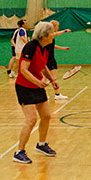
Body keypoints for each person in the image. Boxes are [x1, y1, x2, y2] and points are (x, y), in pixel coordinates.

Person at [13, 21, 59, 164]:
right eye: (51, 32)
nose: (53, 35)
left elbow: (43, 66)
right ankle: (19, 152)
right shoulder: (31, 47)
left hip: (37, 86)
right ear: (44, 35)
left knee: (46, 116)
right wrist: (38, 82)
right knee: (31, 120)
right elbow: (23, 69)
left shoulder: (46, 48)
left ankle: (41, 144)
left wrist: (52, 79)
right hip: (24, 86)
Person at [46, 20, 72, 100]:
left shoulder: (48, 36)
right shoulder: (49, 34)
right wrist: (64, 31)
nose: (58, 27)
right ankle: (57, 94)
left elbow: (53, 46)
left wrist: (63, 48)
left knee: (46, 77)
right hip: (49, 59)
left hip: (48, 58)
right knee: (53, 78)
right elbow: (56, 34)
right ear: (54, 27)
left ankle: (44, 94)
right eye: (57, 26)